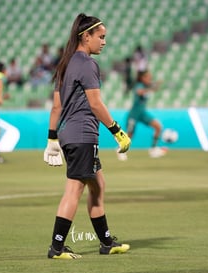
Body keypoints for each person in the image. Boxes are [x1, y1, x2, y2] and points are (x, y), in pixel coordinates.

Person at [43, 13, 131, 259]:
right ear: (86, 36)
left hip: (70, 135)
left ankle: (106, 243)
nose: (103, 42)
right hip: (83, 135)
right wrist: (117, 131)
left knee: (98, 184)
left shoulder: (66, 64)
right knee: (74, 190)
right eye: (100, 37)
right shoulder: (87, 64)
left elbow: (56, 107)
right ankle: (57, 247)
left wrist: (52, 139)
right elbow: (95, 104)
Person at [117, 70, 165, 161]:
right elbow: (140, 92)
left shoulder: (147, 86)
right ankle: (121, 150)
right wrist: (151, 87)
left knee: (158, 126)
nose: (150, 79)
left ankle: (153, 149)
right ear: (142, 78)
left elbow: (154, 89)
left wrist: (156, 85)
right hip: (134, 114)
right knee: (130, 135)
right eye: (148, 77)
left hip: (142, 113)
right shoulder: (139, 85)